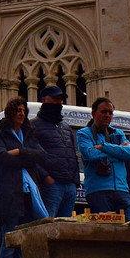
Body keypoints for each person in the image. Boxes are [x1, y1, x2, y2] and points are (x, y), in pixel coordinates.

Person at [0, 97, 48, 258]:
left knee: (24, 242)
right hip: (9, 194)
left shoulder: (29, 135)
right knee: (9, 241)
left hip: (29, 195)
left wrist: (19, 151)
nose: (21, 114)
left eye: (23, 110)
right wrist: (26, 158)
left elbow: (42, 155)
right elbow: (0, 157)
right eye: (18, 110)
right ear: (10, 113)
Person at [76, 97, 130, 221]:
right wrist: (119, 152)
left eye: (110, 112)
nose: (107, 115)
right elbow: (89, 154)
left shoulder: (118, 133)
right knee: (106, 230)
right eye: (103, 112)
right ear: (93, 113)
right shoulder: (83, 133)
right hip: (98, 191)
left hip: (122, 189)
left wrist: (104, 147)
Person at [30, 85, 80, 218]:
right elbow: (30, 156)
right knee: (47, 223)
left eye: (60, 99)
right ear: (44, 100)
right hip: (52, 185)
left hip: (69, 185)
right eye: (55, 98)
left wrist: (74, 181)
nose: (59, 102)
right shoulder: (33, 125)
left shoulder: (65, 127)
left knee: (65, 227)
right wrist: (46, 177)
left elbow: (73, 154)